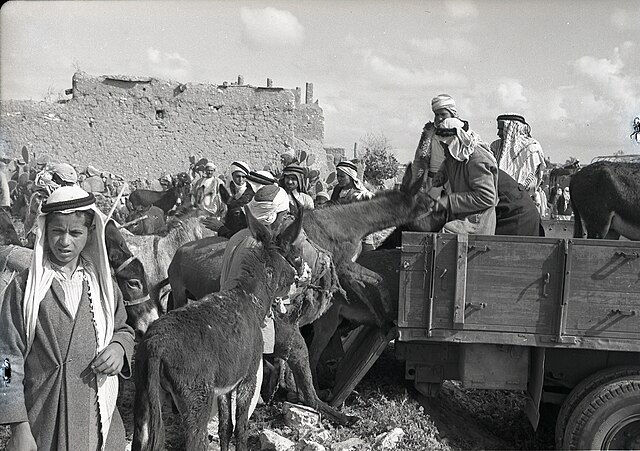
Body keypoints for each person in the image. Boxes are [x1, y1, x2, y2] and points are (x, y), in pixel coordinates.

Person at [0, 185, 135, 450]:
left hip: (98, 422)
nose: (65, 241)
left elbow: (124, 329)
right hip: (43, 420)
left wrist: (119, 348)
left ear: (89, 233)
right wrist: (17, 426)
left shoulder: (103, 286)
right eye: (57, 231)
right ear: (44, 231)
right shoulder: (25, 289)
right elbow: (6, 361)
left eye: (75, 233)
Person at [219, 184, 290, 421]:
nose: (286, 220)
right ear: (275, 217)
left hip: (226, 316)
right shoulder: (260, 246)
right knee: (240, 393)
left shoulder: (240, 236)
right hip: (245, 327)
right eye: (284, 215)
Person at [431, 118, 499, 235]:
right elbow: (449, 162)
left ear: (456, 142)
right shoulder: (455, 155)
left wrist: (449, 201)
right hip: (461, 218)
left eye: (445, 145)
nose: (443, 149)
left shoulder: (477, 160)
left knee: (442, 234)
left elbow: (487, 197)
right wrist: (442, 174)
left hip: (476, 223)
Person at [411, 94, 466, 189]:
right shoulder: (429, 131)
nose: (439, 118)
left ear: (452, 114)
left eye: (443, 114)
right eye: (437, 114)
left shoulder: (462, 132)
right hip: (433, 182)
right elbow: (419, 160)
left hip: (454, 182)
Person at [25, 162, 79, 247]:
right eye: (67, 183)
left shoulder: (69, 193)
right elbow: (37, 222)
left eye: (70, 183)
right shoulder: (41, 196)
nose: (69, 186)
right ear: (56, 179)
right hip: (38, 237)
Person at [490, 114, 546, 193]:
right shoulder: (495, 146)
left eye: (502, 129)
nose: (498, 133)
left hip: (522, 197)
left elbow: (529, 180)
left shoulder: (531, 148)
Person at [217, 161, 254, 239]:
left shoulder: (252, 192)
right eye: (238, 176)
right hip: (228, 229)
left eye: (243, 177)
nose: (241, 180)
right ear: (232, 176)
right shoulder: (226, 191)